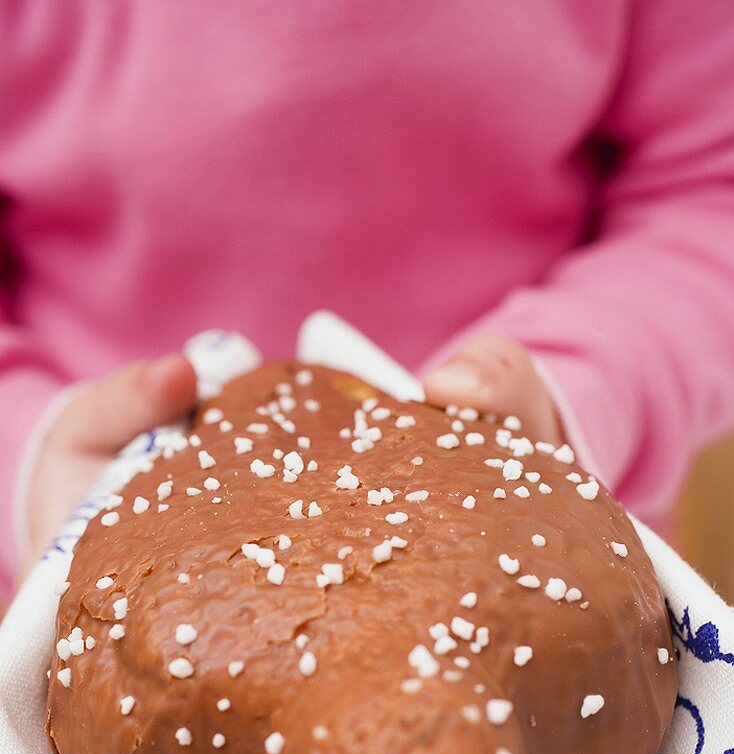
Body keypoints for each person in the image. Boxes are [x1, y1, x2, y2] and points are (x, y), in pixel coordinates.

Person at [2, 1, 734, 600]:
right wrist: (30, 455)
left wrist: (585, 389)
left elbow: (710, 190)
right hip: (88, 537)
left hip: (554, 530)